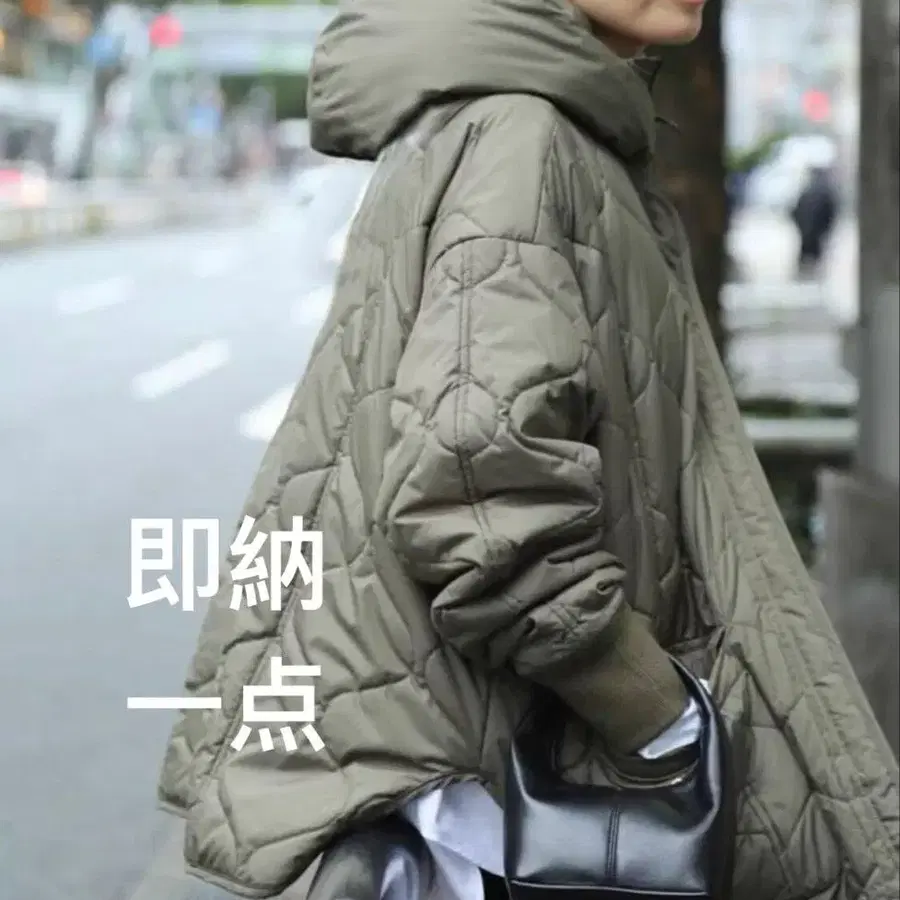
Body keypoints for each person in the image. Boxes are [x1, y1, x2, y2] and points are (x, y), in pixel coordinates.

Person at [157, 2, 900, 899]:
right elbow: (475, 486)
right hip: (501, 800)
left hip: (482, 774)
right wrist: (656, 711)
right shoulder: (525, 132)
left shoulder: (524, 120)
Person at [790, 164, 839, 280]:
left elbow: (795, 211)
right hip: (815, 231)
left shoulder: (809, 192)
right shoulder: (822, 192)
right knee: (814, 254)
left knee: (808, 254)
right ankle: (810, 274)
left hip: (810, 231)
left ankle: (807, 274)